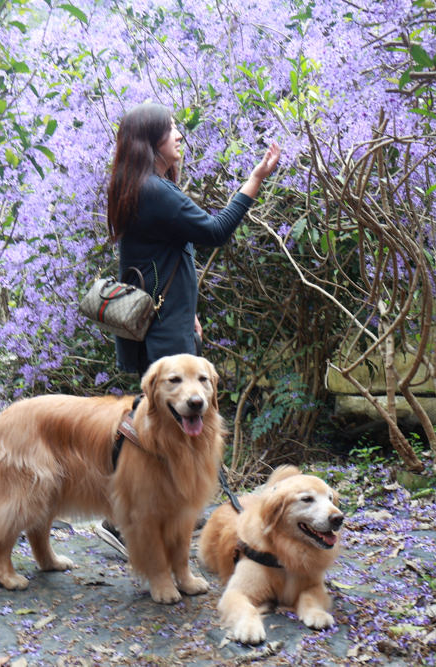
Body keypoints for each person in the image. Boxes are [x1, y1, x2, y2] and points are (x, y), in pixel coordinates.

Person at [94, 102, 281, 557]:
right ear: (150, 141)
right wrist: (254, 182)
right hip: (164, 332)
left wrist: (185, 308)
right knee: (165, 428)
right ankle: (134, 519)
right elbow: (215, 231)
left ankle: (135, 513)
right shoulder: (154, 189)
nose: (179, 135)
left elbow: (152, 262)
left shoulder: (134, 186)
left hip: (158, 323)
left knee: (151, 425)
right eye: (171, 129)